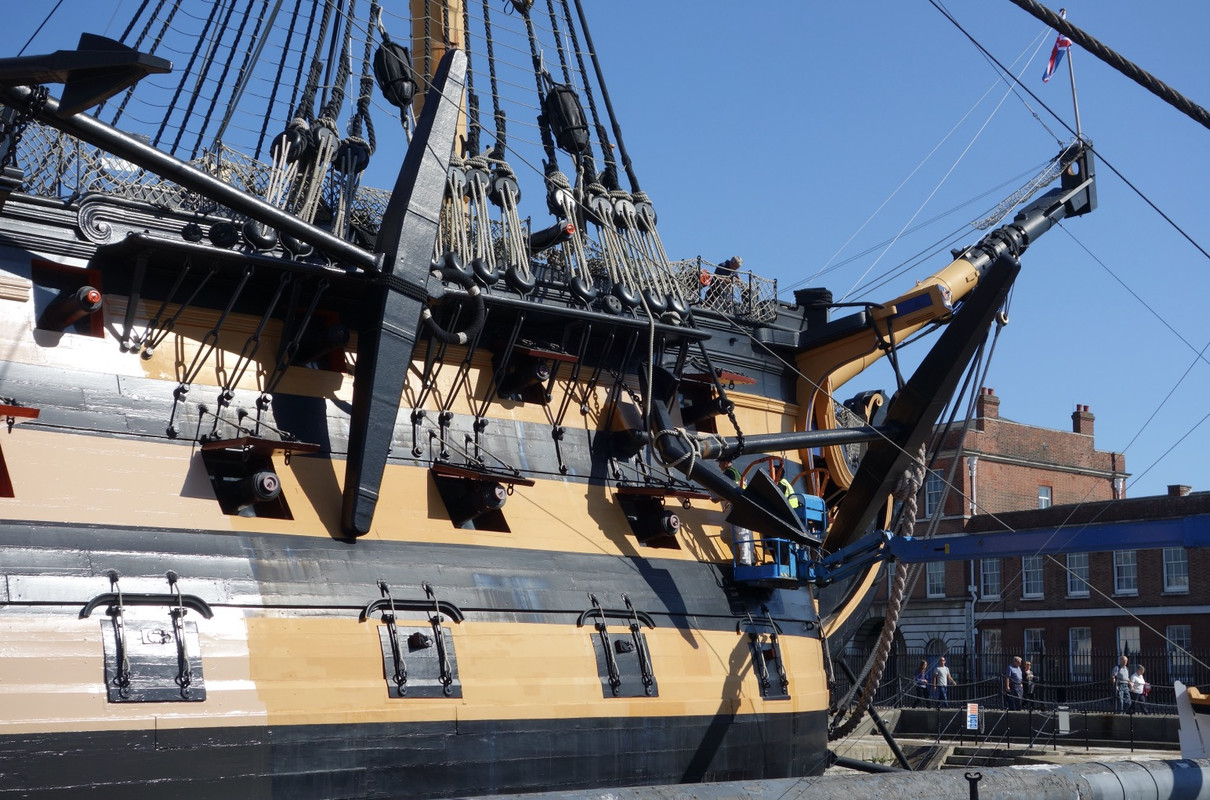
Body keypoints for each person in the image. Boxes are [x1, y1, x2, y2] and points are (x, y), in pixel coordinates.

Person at [719, 457, 753, 566]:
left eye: (720, 462)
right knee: (748, 534)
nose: (719, 465)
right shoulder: (737, 472)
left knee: (742, 533)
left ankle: (745, 561)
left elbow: (726, 489)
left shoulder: (728, 473)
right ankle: (751, 560)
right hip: (746, 506)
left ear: (725, 462)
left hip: (739, 507)